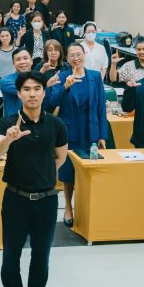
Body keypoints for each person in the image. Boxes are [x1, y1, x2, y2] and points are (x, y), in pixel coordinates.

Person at [0, 70, 67, 287]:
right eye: (26, 89)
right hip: (16, 198)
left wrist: (42, 174)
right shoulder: (7, 122)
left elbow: (60, 157)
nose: (32, 94)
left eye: (37, 89)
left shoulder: (56, 124)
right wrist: (8, 140)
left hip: (47, 199)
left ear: (44, 93)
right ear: (19, 93)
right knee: (11, 251)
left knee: (42, 252)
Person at [45, 43, 108, 227]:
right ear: (67, 58)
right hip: (69, 132)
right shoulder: (62, 76)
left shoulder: (95, 76)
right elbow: (51, 103)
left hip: (90, 132)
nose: (76, 58)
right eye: (72, 55)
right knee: (68, 173)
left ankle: (87, 208)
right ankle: (68, 207)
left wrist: (102, 134)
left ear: (84, 55)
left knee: (89, 171)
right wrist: (64, 87)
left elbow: (101, 107)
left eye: (78, 54)